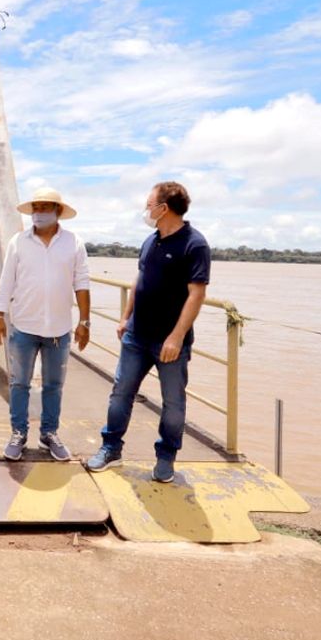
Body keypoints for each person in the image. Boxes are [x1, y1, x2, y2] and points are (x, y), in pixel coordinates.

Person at [85, 182, 210, 482]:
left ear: (163, 208)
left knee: (173, 403)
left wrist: (176, 337)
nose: (146, 210)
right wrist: (125, 318)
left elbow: (197, 295)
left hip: (170, 343)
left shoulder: (195, 244)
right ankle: (111, 448)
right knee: (120, 394)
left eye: (149, 204)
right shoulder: (150, 241)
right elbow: (139, 282)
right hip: (136, 337)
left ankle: (166, 458)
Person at [0, 187, 91, 462]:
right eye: (36, 207)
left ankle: (49, 433)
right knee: (19, 383)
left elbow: (82, 283)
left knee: (53, 386)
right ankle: (18, 433)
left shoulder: (74, 243)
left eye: (45, 207)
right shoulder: (18, 242)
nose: (39, 212)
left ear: (58, 211)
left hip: (59, 330)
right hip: (23, 326)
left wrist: (84, 321)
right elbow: (7, 280)